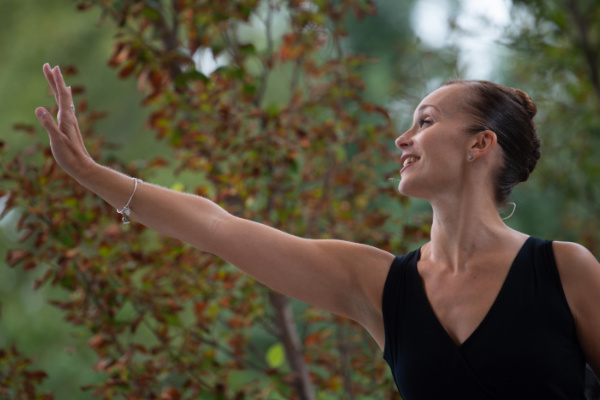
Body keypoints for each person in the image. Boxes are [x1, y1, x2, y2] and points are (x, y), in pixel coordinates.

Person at [35, 63, 599, 399]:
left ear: (480, 145)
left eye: (425, 122)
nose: (402, 139)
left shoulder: (565, 270)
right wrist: (91, 173)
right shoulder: (380, 285)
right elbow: (216, 228)